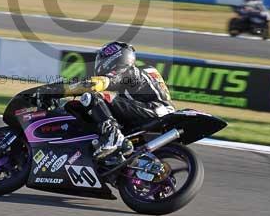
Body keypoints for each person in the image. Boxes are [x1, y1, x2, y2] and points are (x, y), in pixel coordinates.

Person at [40, 41, 174, 160]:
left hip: (155, 110)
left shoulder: (129, 71)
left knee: (92, 96)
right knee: (100, 107)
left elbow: (101, 83)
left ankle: (113, 137)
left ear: (115, 57)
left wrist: (59, 90)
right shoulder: (140, 75)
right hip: (152, 111)